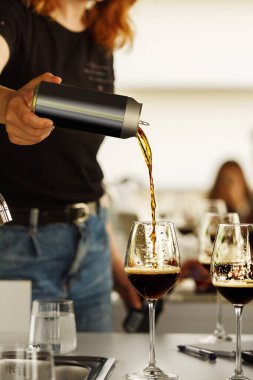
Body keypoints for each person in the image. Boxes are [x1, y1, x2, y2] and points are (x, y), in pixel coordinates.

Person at [0, 0, 141, 332]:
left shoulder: (100, 34)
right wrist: (9, 105)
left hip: (92, 247)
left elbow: (79, 163)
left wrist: (115, 265)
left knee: (98, 366)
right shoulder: (14, 15)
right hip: (20, 248)